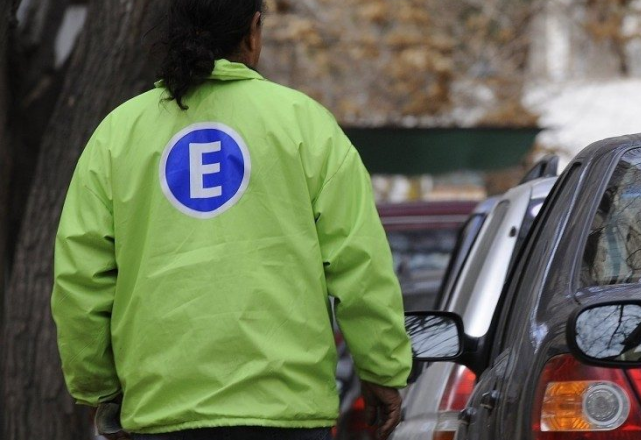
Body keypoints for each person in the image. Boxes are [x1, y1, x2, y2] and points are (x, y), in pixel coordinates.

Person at [50, 1, 411, 439]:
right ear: (253, 30)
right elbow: (360, 265)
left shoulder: (118, 134)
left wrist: (100, 389)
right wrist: (381, 369)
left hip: (163, 411)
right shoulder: (305, 125)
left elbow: (81, 279)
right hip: (286, 409)